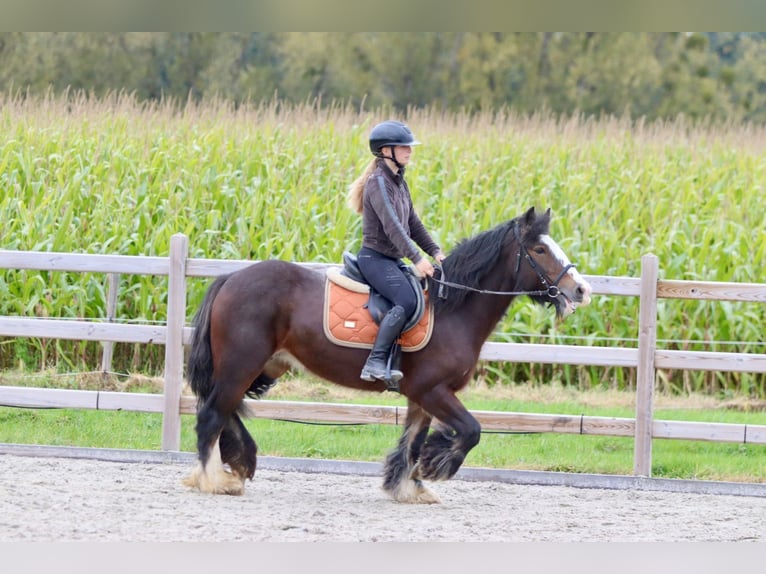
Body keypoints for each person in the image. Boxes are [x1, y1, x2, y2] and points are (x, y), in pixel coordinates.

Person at [347, 120, 445, 383]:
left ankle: (395, 359)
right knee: (407, 300)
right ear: (385, 150)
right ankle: (375, 362)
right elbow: (393, 227)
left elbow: (412, 223)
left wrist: (435, 251)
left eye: (410, 146)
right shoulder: (378, 183)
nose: (409, 150)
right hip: (375, 259)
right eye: (403, 146)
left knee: (421, 296)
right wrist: (416, 259)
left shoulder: (399, 182)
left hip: (390, 259)